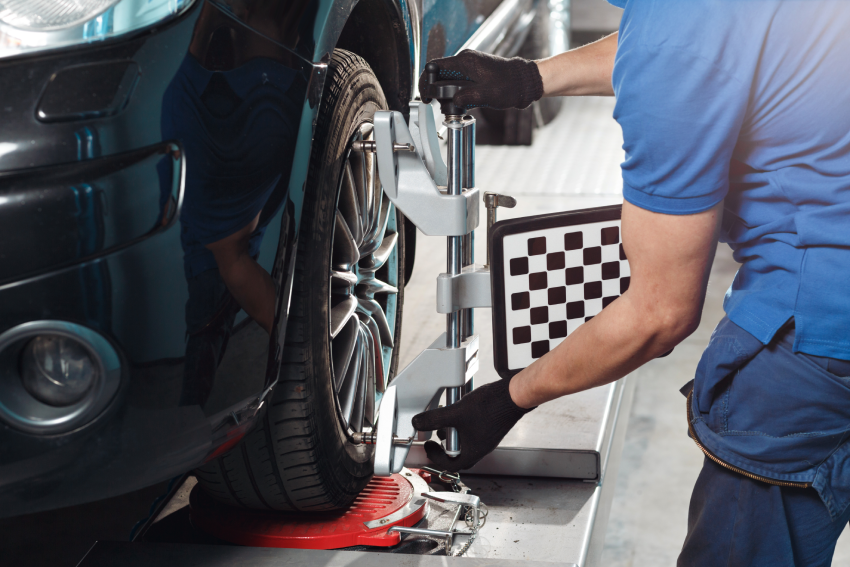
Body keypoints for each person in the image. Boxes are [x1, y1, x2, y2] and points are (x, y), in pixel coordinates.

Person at [413, 1, 850, 564]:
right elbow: (703, 44)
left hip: (816, 331)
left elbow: (660, 313)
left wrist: (507, 399)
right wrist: (533, 76)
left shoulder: (672, 38)